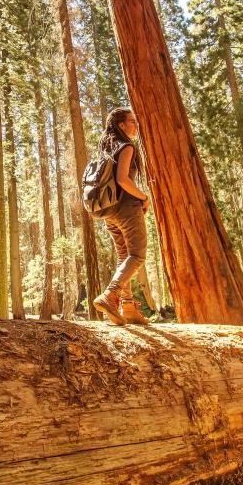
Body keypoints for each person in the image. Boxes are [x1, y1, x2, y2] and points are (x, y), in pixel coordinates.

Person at [92, 107, 151, 326]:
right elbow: (123, 180)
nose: (136, 125)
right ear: (121, 125)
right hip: (127, 208)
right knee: (137, 256)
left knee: (124, 256)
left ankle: (127, 307)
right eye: (132, 121)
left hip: (109, 211)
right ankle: (110, 295)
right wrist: (144, 198)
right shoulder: (126, 147)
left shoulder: (107, 150)